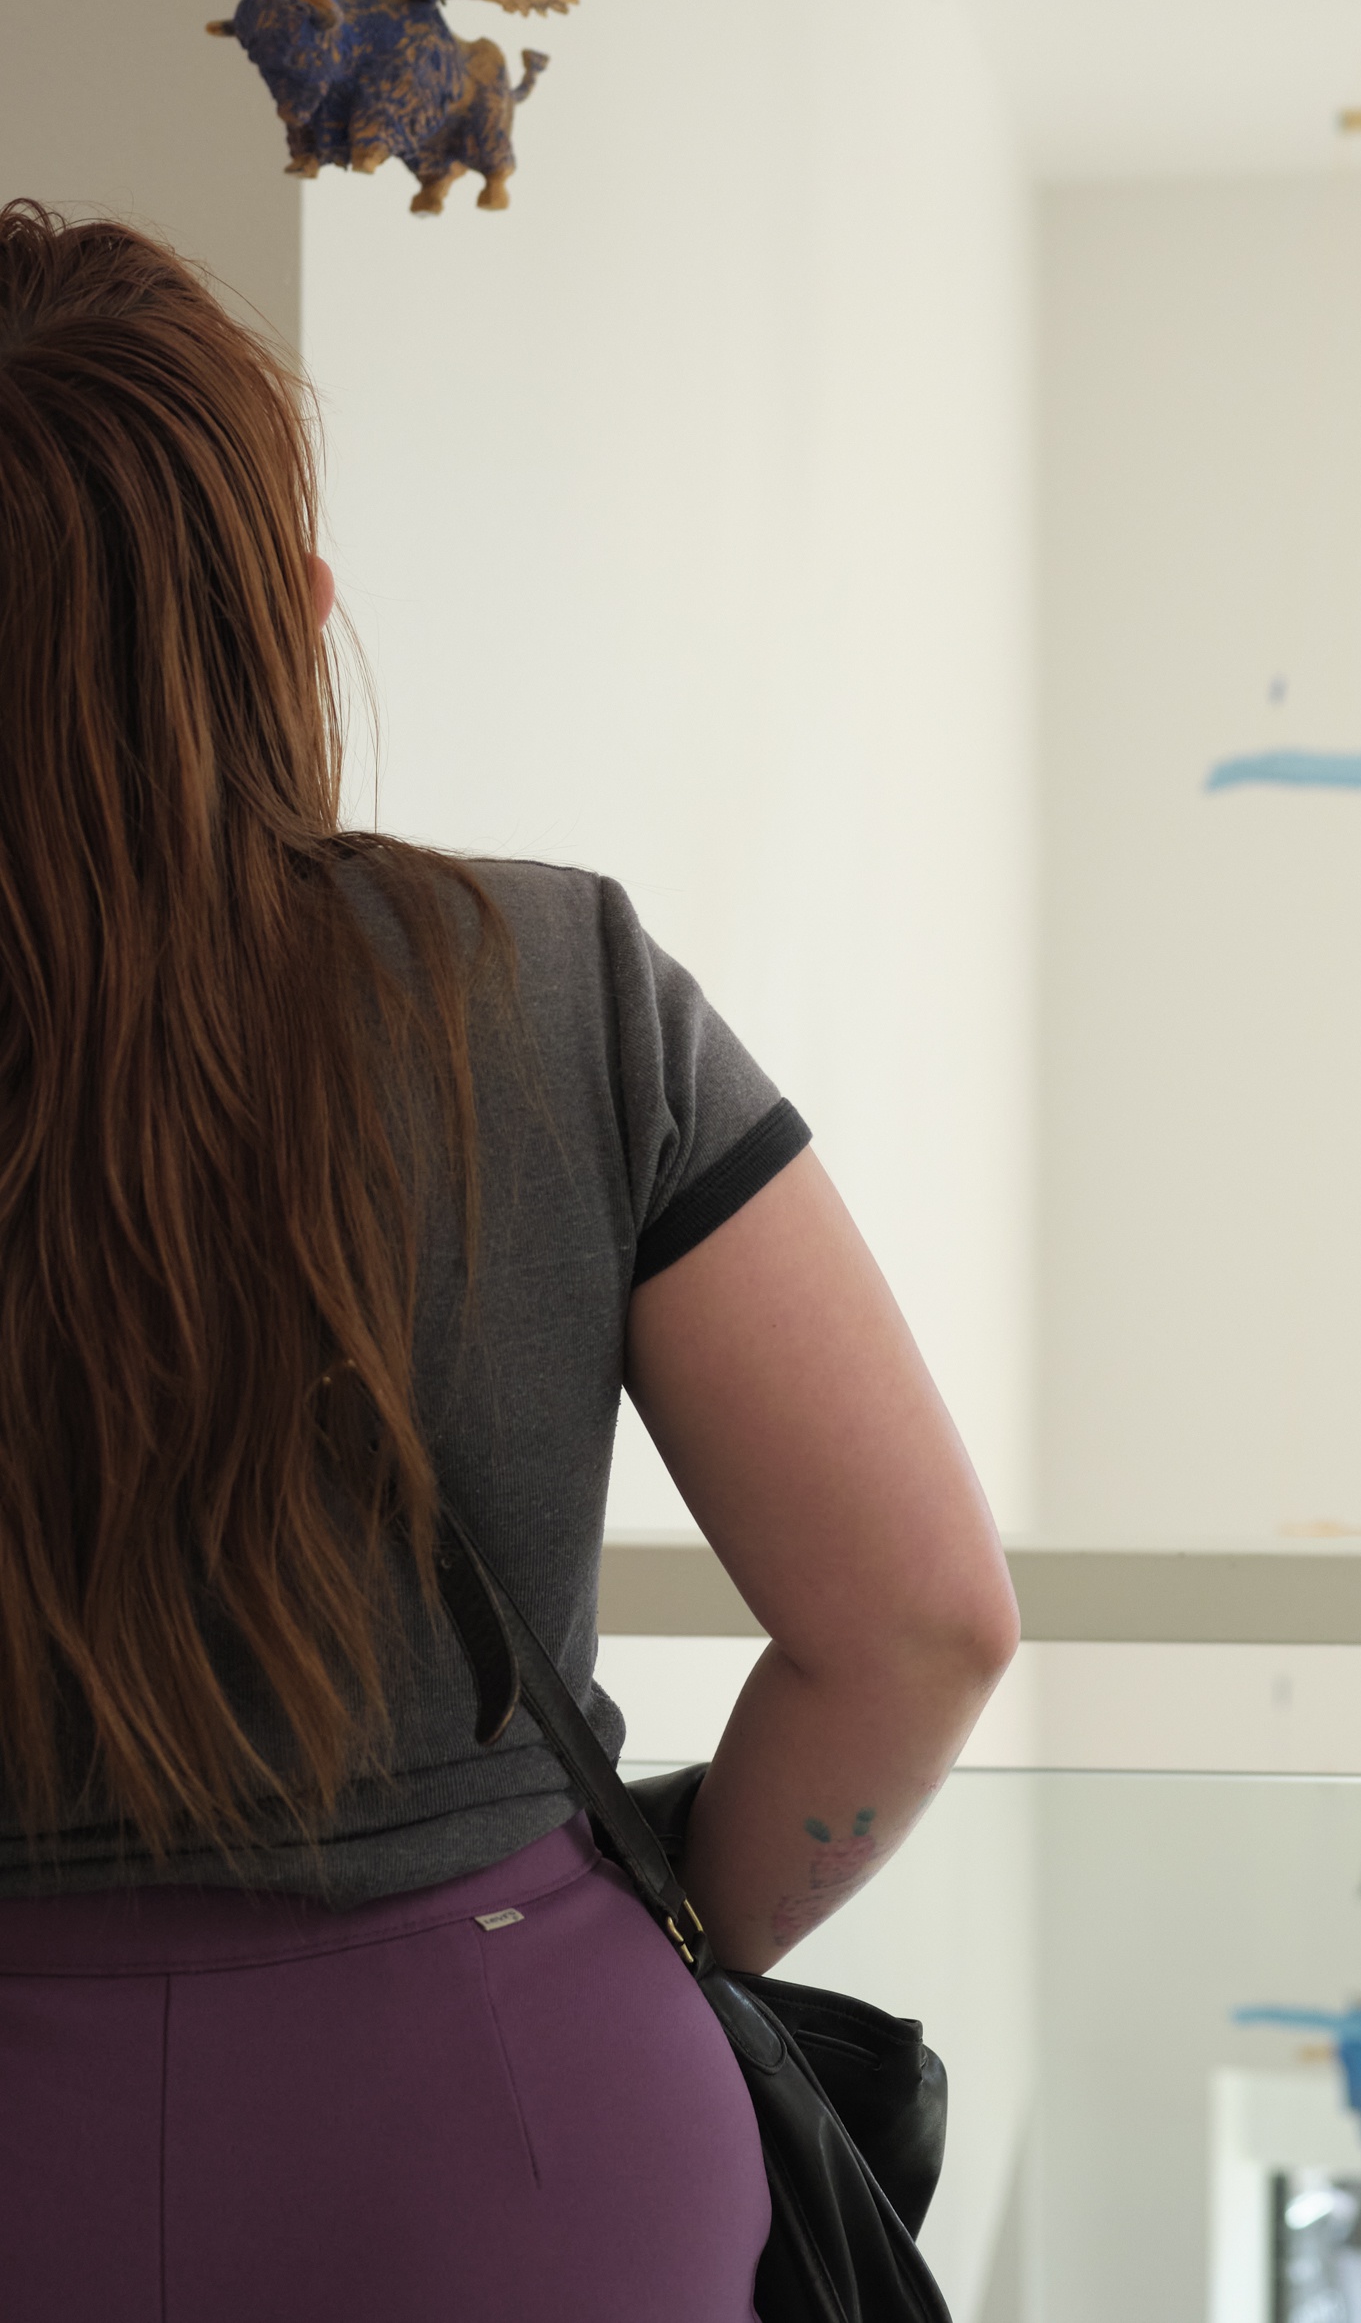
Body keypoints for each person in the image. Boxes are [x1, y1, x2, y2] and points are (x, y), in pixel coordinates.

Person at [0, 204, 1019, 2320]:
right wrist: (656, 1914)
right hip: (525, 2137)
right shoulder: (552, 988)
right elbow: (919, 1622)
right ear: (284, 616)